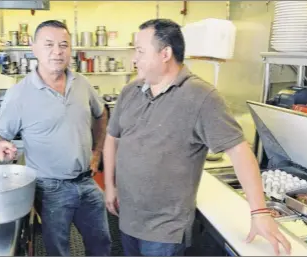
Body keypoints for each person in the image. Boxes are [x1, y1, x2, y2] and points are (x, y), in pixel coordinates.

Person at [103, 19, 291, 256]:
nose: (134, 58)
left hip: (165, 230)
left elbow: (241, 153)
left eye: (140, 51)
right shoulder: (131, 91)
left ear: (165, 53)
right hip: (128, 217)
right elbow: (113, 138)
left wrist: (259, 212)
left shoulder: (202, 96)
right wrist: (110, 186)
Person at [0, 20, 111, 256]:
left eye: (64, 45)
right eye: (49, 44)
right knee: (58, 251)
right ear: (34, 48)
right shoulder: (19, 94)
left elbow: (101, 113)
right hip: (50, 189)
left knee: (102, 245)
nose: (57, 51)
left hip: (86, 181)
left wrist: (97, 152)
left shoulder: (81, 82)